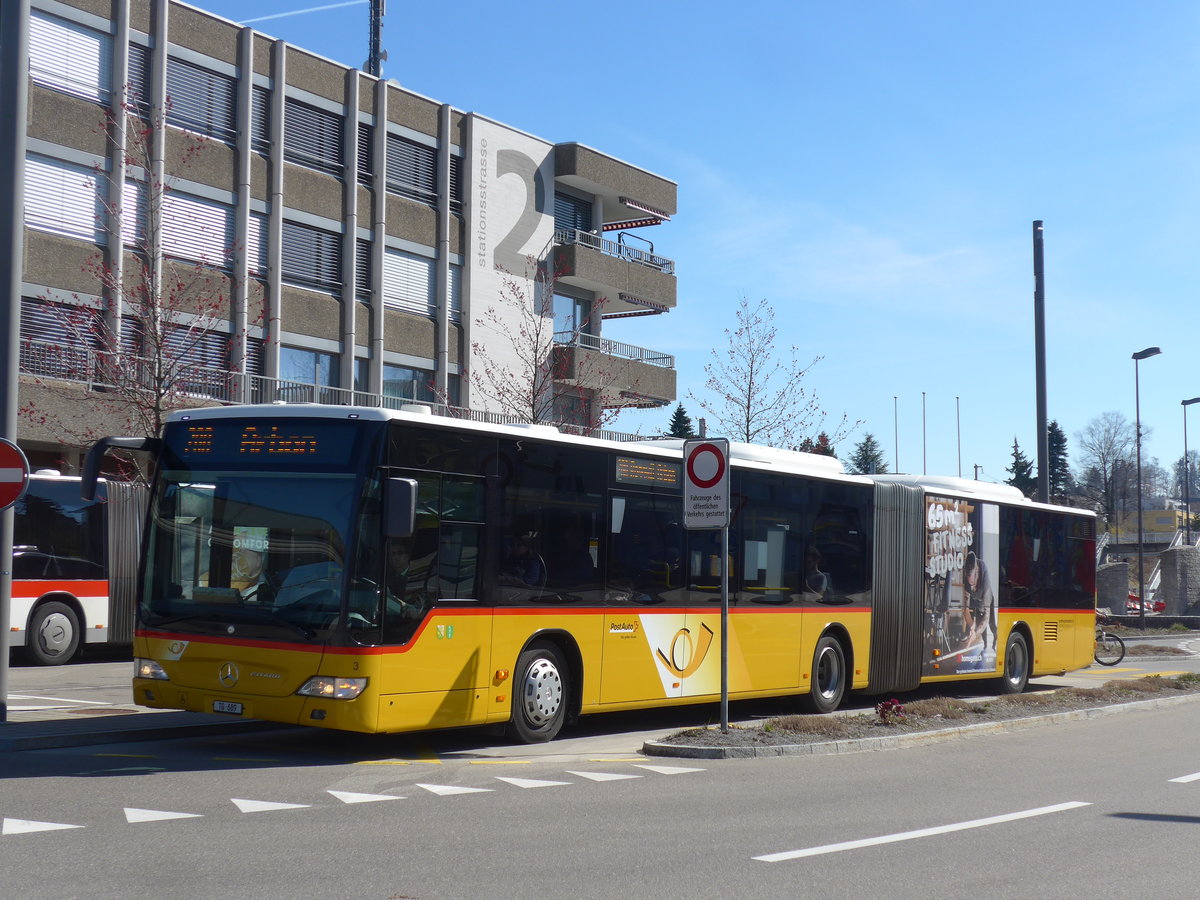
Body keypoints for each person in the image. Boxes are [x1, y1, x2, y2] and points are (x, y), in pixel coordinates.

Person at [961, 551, 997, 652]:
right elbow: (965, 610)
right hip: (976, 599)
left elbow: (987, 615)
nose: (972, 586)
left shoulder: (984, 573)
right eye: (970, 584)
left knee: (991, 624)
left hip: (987, 599)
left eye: (973, 583)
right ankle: (985, 645)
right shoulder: (967, 579)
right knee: (980, 628)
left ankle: (995, 640)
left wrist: (975, 634)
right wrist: (972, 626)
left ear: (976, 570)